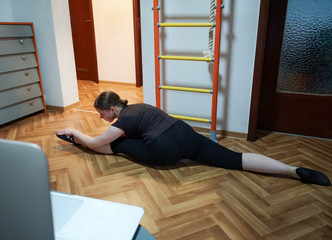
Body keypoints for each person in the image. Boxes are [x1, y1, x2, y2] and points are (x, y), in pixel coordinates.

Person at [56, 91, 331, 186]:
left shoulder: (123, 120)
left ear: (112, 109)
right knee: (234, 159)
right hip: (185, 133)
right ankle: (293, 171)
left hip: (166, 149)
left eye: (101, 114)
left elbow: (95, 143)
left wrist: (75, 133)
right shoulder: (140, 107)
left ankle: (71, 141)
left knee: (115, 144)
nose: (101, 118)